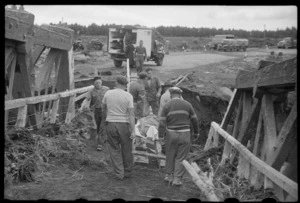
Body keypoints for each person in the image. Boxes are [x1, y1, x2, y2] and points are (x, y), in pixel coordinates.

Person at [158, 87, 199, 186]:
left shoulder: (167, 106)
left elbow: (162, 123)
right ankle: (177, 179)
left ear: (171, 95)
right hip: (185, 134)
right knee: (181, 157)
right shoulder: (187, 104)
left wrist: (160, 136)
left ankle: (169, 176)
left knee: (170, 154)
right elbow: (194, 120)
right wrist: (196, 133)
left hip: (171, 134)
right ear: (180, 95)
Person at [102, 75, 135, 180]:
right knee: (127, 149)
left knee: (114, 149)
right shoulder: (128, 96)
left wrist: (105, 121)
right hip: (124, 125)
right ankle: (127, 172)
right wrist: (133, 130)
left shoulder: (108, 93)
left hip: (111, 123)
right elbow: (131, 115)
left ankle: (119, 173)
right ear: (125, 85)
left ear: (117, 83)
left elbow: (104, 109)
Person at [83, 76, 109, 151]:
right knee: (97, 126)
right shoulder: (91, 91)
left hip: (105, 110)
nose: (98, 84)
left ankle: (100, 144)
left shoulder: (106, 89)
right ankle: (102, 138)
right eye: (96, 83)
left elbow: (111, 98)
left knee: (102, 126)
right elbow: (86, 99)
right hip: (96, 111)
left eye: (99, 82)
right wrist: (84, 106)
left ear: (101, 83)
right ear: (94, 84)